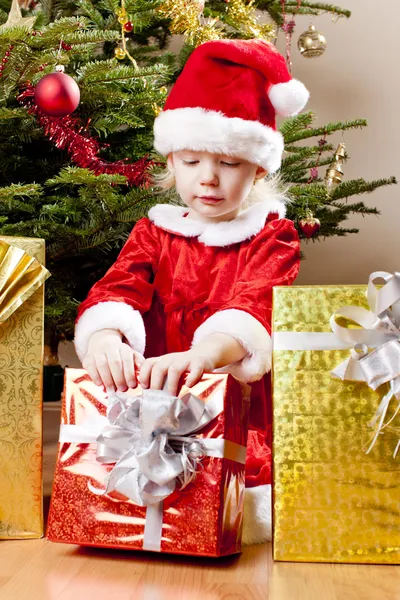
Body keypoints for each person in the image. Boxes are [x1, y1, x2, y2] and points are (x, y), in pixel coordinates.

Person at [74, 38, 309, 545]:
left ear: (257, 168)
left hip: (233, 397)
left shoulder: (272, 236)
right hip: (152, 393)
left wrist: (205, 352)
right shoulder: (155, 231)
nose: (208, 178)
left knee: (227, 486)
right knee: (151, 485)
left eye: (227, 163)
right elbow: (119, 286)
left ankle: (222, 518)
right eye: (191, 162)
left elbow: (255, 304)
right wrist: (105, 336)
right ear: (171, 162)